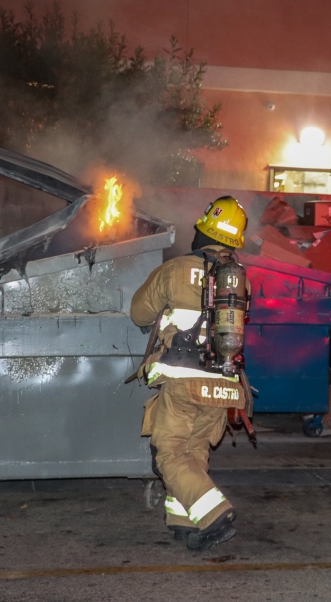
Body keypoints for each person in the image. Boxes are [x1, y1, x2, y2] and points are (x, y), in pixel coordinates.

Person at [130, 196, 250, 551]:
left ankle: (215, 515)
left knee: (168, 452)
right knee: (192, 449)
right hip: (224, 383)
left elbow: (139, 313)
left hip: (184, 380)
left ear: (203, 231)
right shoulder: (239, 279)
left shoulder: (176, 269)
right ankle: (184, 522)